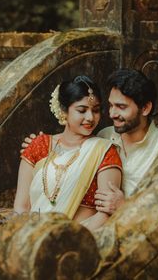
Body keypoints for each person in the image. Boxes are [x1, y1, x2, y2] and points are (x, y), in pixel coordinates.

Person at [22, 69, 158, 216]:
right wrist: (37, 146)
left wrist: (125, 206)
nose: (112, 114)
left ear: (145, 108)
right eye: (111, 106)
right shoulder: (104, 136)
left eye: (121, 107)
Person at [14, 75, 122, 231]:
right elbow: (21, 206)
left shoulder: (104, 151)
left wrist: (68, 240)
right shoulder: (40, 145)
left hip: (80, 239)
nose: (90, 117)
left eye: (96, 110)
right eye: (82, 110)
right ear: (64, 110)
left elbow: (106, 212)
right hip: (34, 238)